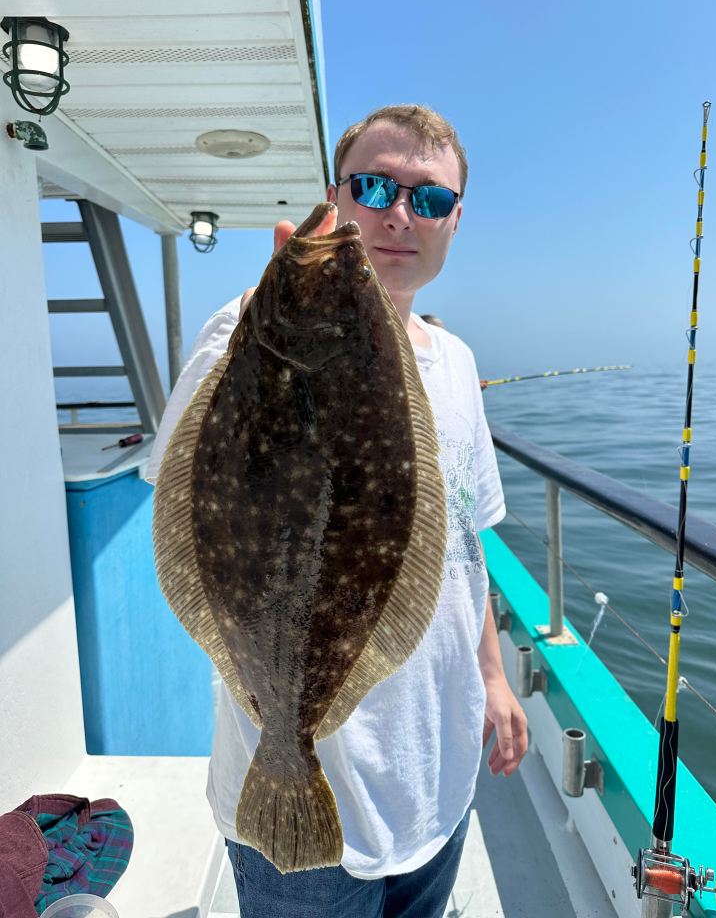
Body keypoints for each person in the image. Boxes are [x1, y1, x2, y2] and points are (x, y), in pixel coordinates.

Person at [146, 104, 528, 918]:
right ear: (337, 195)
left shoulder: (456, 363)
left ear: (455, 220)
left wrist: (493, 676)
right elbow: (183, 494)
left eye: (427, 198)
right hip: (305, 791)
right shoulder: (238, 334)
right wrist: (266, 328)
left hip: (440, 774)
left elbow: (462, 540)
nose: (397, 213)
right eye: (373, 186)